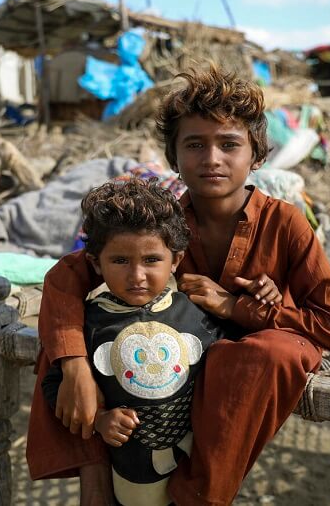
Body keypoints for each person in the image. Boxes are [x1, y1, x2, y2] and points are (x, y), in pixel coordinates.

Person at [27, 65, 330, 506]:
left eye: (229, 145)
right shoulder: (163, 225)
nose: (212, 159)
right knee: (64, 335)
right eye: (195, 144)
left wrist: (236, 308)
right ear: (174, 157)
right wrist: (75, 368)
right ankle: (96, 485)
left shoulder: (285, 223)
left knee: (268, 352)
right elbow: (67, 277)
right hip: (173, 346)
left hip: (257, 344)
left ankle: (200, 494)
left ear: (257, 156)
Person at [42, 178, 223, 506]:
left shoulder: (194, 312)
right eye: (120, 261)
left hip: (194, 461)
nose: (137, 275)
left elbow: (228, 359)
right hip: (133, 470)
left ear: (177, 260)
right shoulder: (91, 321)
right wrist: (99, 420)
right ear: (96, 263)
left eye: (152, 260)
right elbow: (56, 387)